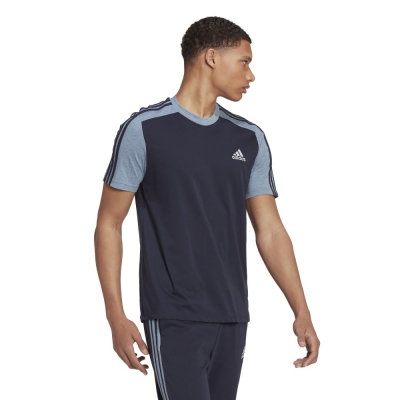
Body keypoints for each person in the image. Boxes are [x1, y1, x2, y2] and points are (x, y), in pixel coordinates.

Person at [94, 16, 320, 400]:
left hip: (233, 315)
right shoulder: (144, 129)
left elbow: (271, 231)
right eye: (244, 62)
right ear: (212, 57)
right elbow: (109, 224)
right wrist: (115, 315)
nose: (251, 75)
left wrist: (302, 309)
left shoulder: (249, 138)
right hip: (173, 315)